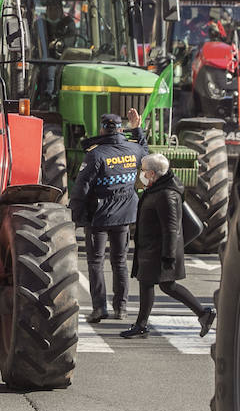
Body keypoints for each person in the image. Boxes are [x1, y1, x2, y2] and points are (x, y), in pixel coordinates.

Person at [121, 153, 215, 338]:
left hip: (160, 250)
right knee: (156, 284)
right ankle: (202, 314)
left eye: (143, 170)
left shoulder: (166, 194)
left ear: (152, 173)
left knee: (161, 285)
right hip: (152, 248)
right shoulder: (158, 188)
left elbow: (172, 228)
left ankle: (202, 313)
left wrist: (169, 256)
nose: (141, 173)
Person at [69, 109, 148, 323]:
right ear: (121, 129)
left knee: (96, 262)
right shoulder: (134, 150)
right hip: (124, 216)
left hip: (99, 218)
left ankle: (99, 308)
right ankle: (121, 309)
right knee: (120, 262)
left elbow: (80, 189)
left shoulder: (95, 154)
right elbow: (147, 155)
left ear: (103, 129)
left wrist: (74, 218)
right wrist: (137, 129)